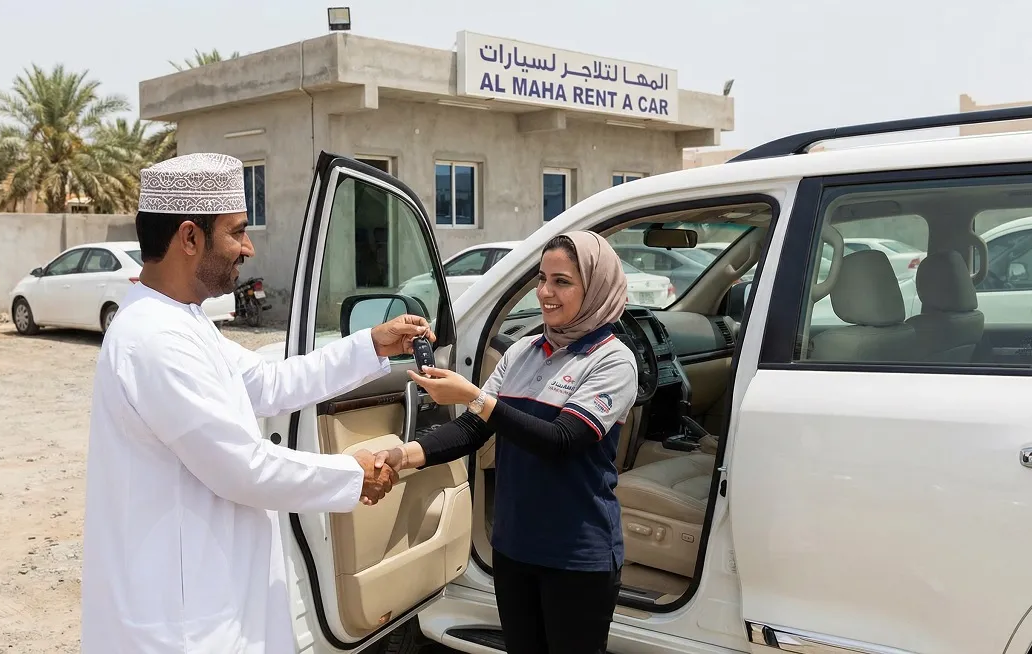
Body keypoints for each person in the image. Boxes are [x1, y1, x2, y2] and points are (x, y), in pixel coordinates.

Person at [80, 152, 433, 653]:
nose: (247, 247)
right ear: (188, 237)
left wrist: (371, 345)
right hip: (182, 622)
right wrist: (352, 475)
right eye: (236, 232)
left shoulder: (183, 321)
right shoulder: (154, 339)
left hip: (215, 593)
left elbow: (269, 382)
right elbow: (240, 468)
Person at [372, 231, 638, 654]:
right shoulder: (522, 352)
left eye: (562, 282)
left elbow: (562, 440)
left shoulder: (613, 360)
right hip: (515, 547)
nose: (545, 293)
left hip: (576, 556)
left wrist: (475, 397)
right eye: (541, 278)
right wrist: (402, 455)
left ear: (596, 289)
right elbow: (473, 429)